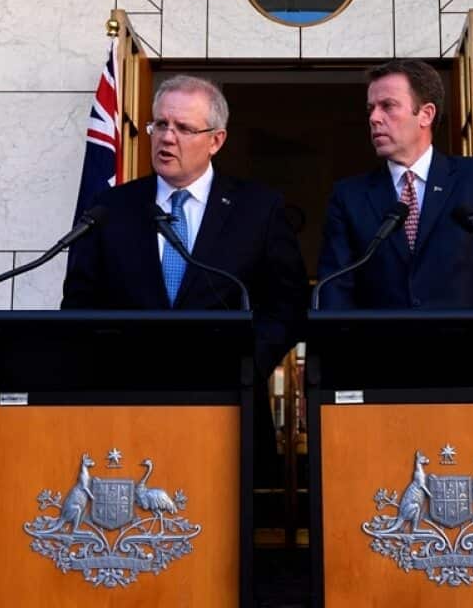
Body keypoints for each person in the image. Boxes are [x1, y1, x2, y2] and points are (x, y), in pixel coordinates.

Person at [61, 75, 307, 482]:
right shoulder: (112, 207)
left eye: (183, 128)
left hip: (229, 403)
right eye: (160, 125)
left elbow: (287, 304)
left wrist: (247, 366)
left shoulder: (258, 209)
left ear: (216, 140)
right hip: (127, 408)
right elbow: (79, 305)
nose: (166, 138)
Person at [316, 59, 473, 309]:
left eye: (387, 106)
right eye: (370, 108)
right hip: (381, 346)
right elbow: (334, 291)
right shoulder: (349, 196)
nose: (374, 118)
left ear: (425, 114)